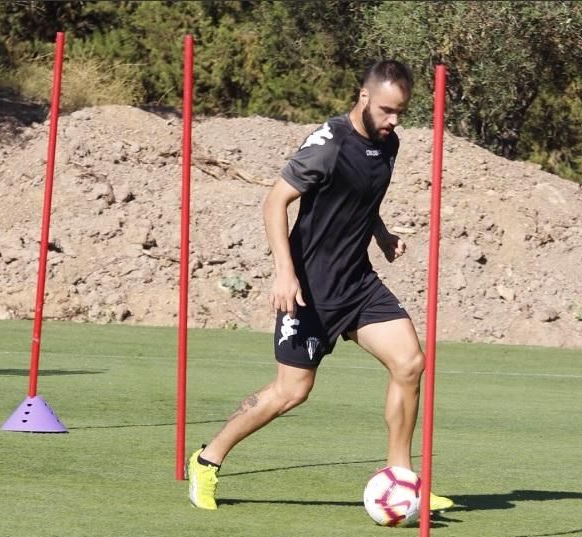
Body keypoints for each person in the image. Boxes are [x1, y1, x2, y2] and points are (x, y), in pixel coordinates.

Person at [188, 59, 454, 512]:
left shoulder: (387, 145)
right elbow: (275, 202)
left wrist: (382, 234)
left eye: (401, 113)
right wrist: (284, 273)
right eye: (387, 110)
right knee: (290, 392)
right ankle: (207, 461)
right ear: (364, 97)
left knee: (410, 363)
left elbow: (361, 197)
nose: (393, 121)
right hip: (309, 288)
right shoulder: (326, 145)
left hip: (357, 283)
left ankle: (401, 479)